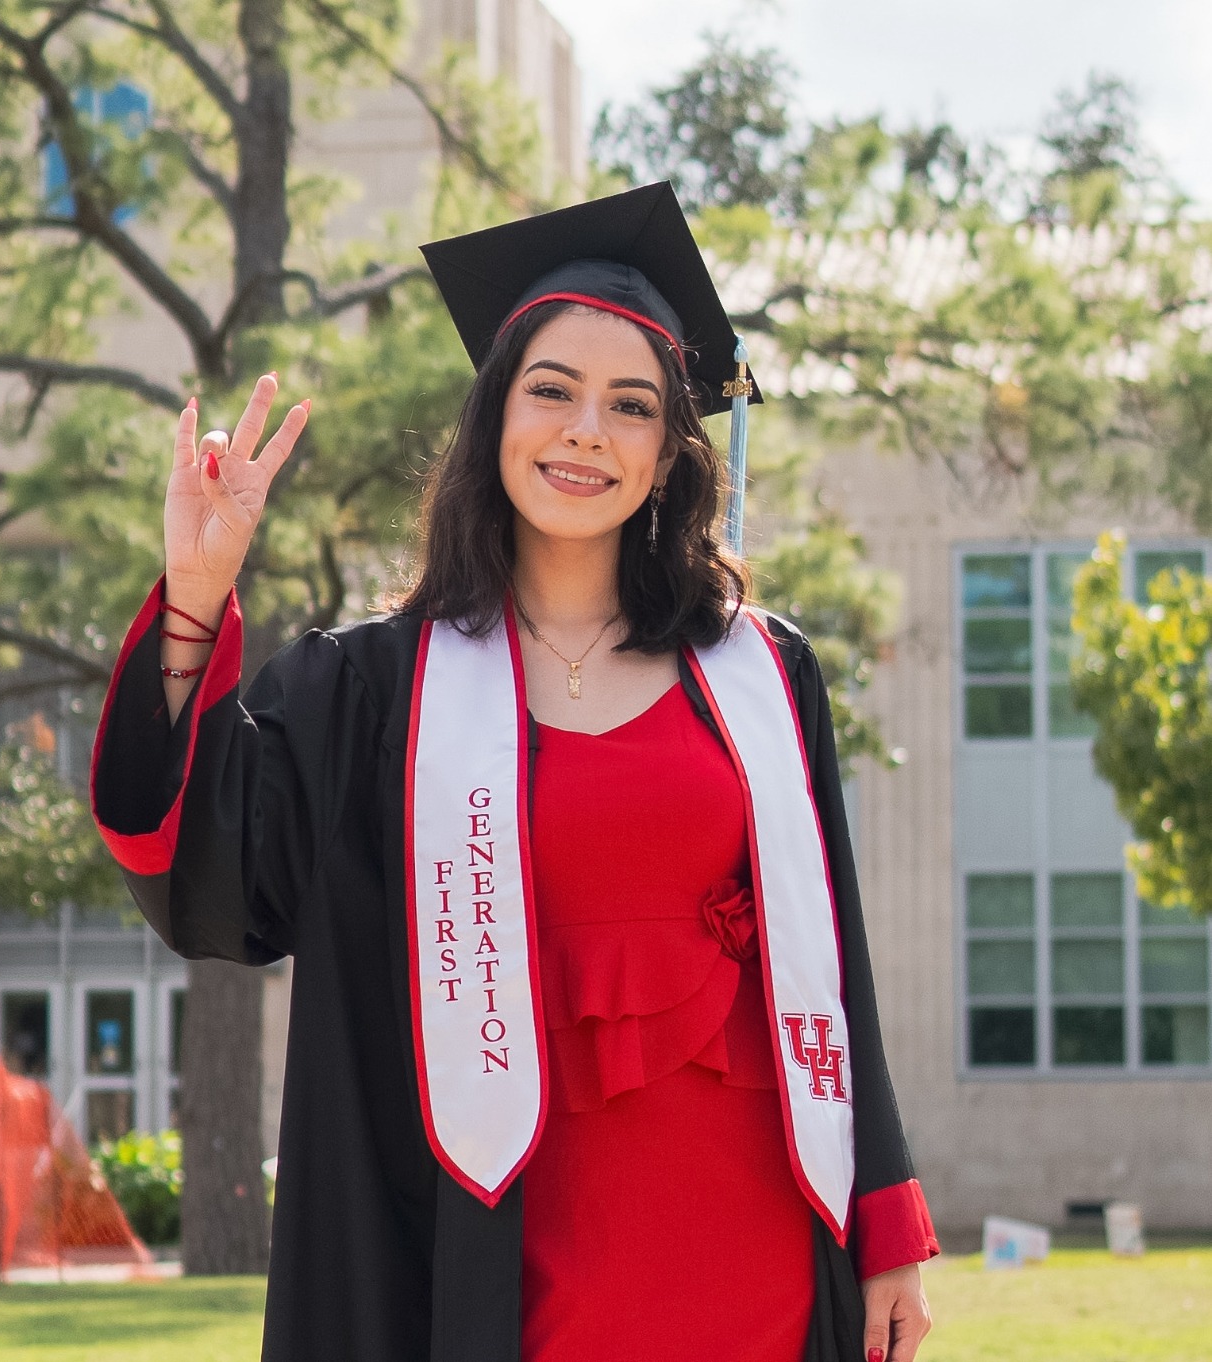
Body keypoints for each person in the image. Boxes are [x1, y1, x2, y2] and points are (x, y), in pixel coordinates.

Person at [92, 183, 937, 1362]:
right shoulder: (375, 691)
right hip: (490, 1246)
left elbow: (832, 956)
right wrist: (194, 594)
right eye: (553, 390)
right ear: (495, 418)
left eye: (631, 405)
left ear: (668, 450)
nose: (587, 429)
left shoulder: (761, 672)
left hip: (755, 1225)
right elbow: (207, 868)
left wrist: (885, 1221)